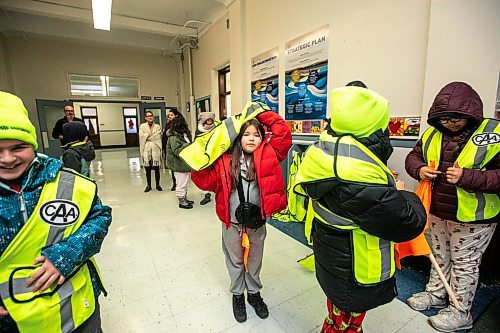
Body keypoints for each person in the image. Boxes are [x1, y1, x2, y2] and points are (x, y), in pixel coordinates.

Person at [294, 86, 426, 333]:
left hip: (333, 257)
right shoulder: (359, 177)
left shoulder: (326, 152)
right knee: (348, 321)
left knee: (336, 311)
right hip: (354, 265)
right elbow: (408, 223)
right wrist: (400, 192)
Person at [0, 91, 111, 333]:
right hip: (14, 322)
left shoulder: (64, 181)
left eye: (18, 147)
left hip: (78, 310)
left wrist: (66, 254)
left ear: (31, 144)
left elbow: (99, 216)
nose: (7, 159)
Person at [405, 81, 500, 332]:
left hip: (474, 218)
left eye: (456, 118)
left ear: (471, 113)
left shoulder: (495, 133)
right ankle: (436, 295)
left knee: (464, 264)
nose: (450, 123)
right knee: (438, 257)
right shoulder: (431, 134)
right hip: (437, 212)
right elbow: (413, 157)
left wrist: (468, 177)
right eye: (445, 118)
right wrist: (420, 169)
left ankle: (460, 311)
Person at [191, 110, 292, 323]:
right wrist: (202, 151)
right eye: (246, 134)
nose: (251, 138)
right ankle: (238, 295)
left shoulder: (269, 154)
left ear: (262, 137)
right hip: (232, 223)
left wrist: (260, 112)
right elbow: (203, 180)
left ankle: (253, 294)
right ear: (238, 137)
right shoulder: (225, 160)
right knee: (236, 260)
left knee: (254, 261)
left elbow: (282, 133)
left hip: (257, 223)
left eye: (256, 134)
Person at [166, 117, 194, 209]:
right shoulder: (173, 137)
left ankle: (184, 198)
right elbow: (176, 150)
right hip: (178, 164)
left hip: (184, 163)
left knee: (185, 182)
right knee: (181, 183)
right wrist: (189, 145)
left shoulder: (183, 134)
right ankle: (182, 201)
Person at [195, 112, 217, 205]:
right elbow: (196, 142)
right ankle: (206, 194)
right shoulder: (199, 130)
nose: (209, 122)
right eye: (207, 120)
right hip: (203, 156)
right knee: (205, 175)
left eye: (211, 120)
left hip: (215, 154)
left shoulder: (217, 129)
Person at [139, 111, 162, 192]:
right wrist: (151, 136)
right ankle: (148, 185)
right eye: (148, 116)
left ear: (153, 117)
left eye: (151, 115)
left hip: (156, 146)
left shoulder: (157, 126)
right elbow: (141, 136)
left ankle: (158, 185)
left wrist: (147, 136)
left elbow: (158, 136)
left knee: (156, 167)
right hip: (146, 147)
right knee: (147, 167)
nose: (150, 117)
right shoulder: (142, 126)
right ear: (145, 118)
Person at [162, 109, 181, 191]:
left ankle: (179, 183)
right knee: (171, 167)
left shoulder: (179, 125)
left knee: (177, 166)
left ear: (176, 116)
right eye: (169, 115)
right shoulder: (167, 125)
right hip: (168, 148)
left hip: (176, 148)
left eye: (171, 115)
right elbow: (164, 137)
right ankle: (174, 183)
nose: (170, 117)